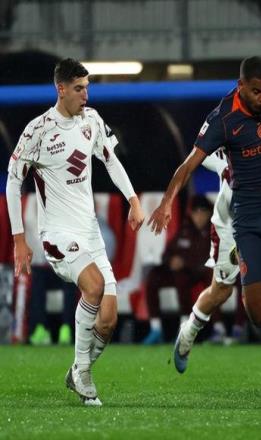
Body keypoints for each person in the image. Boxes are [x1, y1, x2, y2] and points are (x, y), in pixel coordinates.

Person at [148, 57, 261, 389]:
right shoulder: (222, 123)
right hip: (233, 220)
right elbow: (190, 164)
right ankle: (188, 332)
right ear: (241, 86)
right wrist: (167, 202)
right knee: (224, 291)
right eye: (257, 91)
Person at [6, 58, 144, 406]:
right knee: (93, 287)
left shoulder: (92, 120)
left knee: (108, 320)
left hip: (90, 233)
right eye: (79, 89)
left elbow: (111, 160)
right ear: (61, 89)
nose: (86, 95)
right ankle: (83, 374)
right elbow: (12, 182)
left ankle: (76, 372)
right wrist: (19, 238)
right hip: (57, 234)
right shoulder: (38, 130)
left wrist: (133, 200)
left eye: (87, 88)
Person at [173, 150, 261, 381]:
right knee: (221, 291)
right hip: (229, 227)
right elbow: (199, 153)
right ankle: (188, 332)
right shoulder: (228, 140)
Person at [143, 195, 213, 344]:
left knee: (181, 277)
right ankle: (155, 328)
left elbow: (208, 259)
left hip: (195, 273)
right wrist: (171, 261)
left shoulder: (212, 233)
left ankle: (184, 327)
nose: (199, 217)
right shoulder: (184, 229)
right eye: (196, 212)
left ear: (209, 214)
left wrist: (184, 263)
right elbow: (167, 253)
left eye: (203, 212)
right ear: (191, 214)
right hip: (175, 271)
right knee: (153, 275)